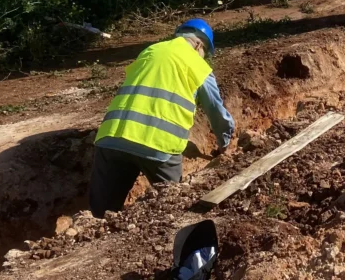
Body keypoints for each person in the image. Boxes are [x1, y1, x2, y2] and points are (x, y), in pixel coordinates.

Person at [88, 18, 235, 217]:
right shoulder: (197, 65)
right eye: (204, 54)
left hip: (111, 139)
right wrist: (224, 142)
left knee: (100, 215)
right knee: (171, 208)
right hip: (159, 145)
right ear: (199, 45)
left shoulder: (150, 51)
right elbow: (215, 110)